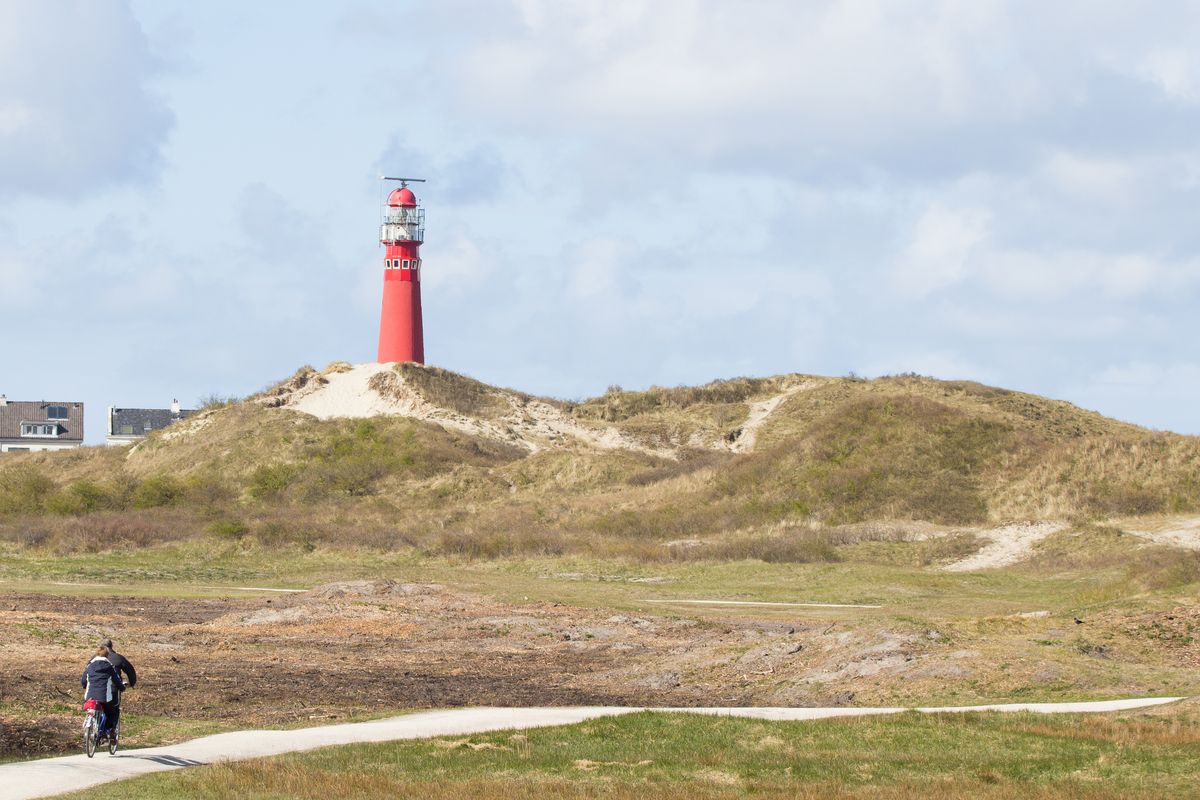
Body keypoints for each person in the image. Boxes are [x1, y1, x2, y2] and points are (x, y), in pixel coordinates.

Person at [80, 646, 121, 738]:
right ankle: (109, 731)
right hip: (104, 696)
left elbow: (83, 681)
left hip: (89, 696)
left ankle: (93, 725)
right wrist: (122, 687)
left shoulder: (89, 665)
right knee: (112, 712)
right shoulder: (109, 666)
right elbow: (116, 680)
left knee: (91, 708)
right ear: (107, 655)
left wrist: (85, 686)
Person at [100, 638, 136, 733]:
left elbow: (87, 673)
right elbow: (130, 671)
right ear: (111, 646)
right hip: (112, 689)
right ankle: (111, 730)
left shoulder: (94, 658)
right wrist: (131, 683)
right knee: (114, 708)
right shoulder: (118, 658)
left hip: (94, 689)